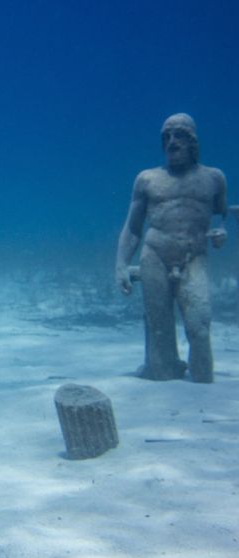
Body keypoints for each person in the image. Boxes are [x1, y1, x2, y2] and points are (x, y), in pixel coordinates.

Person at [115, 113, 227, 383]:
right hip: (154, 256)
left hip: (193, 258)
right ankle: (162, 367)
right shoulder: (148, 179)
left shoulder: (214, 178)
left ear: (193, 141)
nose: (172, 142)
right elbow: (133, 227)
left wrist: (223, 231)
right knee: (159, 331)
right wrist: (120, 264)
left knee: (199, 326)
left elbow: (222, 213)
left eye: (178, 135)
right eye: (166, 136)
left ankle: (198, 374)